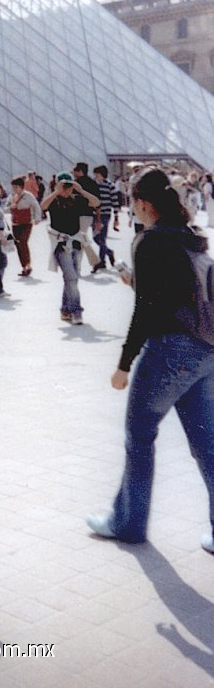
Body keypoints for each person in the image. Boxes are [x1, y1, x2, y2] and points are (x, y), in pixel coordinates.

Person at [86, 168, 214, 554]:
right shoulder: (190, 237)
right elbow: (177, 293)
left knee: (139, 436)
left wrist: (124, 364)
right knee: (207, 444)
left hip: (169, 352)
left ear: (142, 203)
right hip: (205, 351)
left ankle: (127, 522)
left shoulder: (149, 241)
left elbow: (148, 309)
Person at [40, 171, 100, 325]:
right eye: (64, 186)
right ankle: (76, 311)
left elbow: (96, 202)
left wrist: (80, 190)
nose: (67, 190)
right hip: (60, 245)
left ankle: (65, 309)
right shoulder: (54, 200)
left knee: (72, 278)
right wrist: (56, 191)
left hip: (76, 243)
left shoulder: (77, 199)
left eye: (69, 186)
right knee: (71, 278)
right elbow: (42, 206)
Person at [7, 176, 41, 277]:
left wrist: (37, 218)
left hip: (26, 223)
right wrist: (10, 207)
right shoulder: (11, 196)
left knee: (23, 242)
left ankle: (28, 265)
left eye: (16, 187)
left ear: (21, 187)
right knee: (18, 245)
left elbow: (36, 206)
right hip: (15, 223)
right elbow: (5, 207)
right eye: (13, 187)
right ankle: (24, 267)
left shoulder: (28, 195)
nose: (14, 189)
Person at [91, 165, 118, 273]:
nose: (95, 176)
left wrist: (116, 216)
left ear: (102, 174)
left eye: (97, 173)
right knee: (95, 238)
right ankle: (109, 252)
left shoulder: (110, 185)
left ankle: (102, 261)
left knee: (102, 238)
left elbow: (115, 201)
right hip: (95, 215)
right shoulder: (93, 184)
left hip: (106, 214)